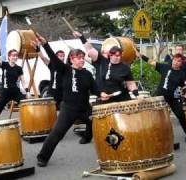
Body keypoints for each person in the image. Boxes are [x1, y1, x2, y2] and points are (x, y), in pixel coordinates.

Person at [33, 33, 98, 167]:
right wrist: (45, 44)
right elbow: (53, 58)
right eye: (78, 58)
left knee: (94, 122)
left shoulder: (87, 74)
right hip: (68, 108)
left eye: (82, 57)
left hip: (84, 108)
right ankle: (42, 157)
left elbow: (95, 89)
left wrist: (102, 94)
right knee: (57, 133)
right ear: (71, 59)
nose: (81, 60)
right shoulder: (64, 70)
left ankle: (86, 137)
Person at [73, 31, 139, 103]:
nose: (118, 57)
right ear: (110, 55)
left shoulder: (125, 68)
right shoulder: (101, 61)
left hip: (120, 100)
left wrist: (136, 94)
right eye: (116, 55)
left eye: (119, 55)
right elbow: (90, 49)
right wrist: (81, 37)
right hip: (103, 99)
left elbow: (130, 83)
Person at [139, 53, 186, 140]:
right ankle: (153, 135)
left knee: (181, 115)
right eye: (174, 60)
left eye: (178, 61)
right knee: (157, 116)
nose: (175, 62)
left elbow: (183, 85)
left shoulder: (181, 74)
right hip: (160, 96)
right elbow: (151, 62)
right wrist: (141, 56)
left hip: (172, 97)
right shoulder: (164, 67)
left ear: (181, 63)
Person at [0, 49, 28, 116]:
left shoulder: (19, 68)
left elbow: (23, 81)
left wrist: (27, 91)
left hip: (15, 92)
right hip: (5, 92)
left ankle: (28, 121)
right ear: (9, 57)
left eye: (16, 56)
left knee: (27, 104)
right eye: (13, 56)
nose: (15, 57)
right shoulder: (5, 64)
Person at [32, 41, 65, 109]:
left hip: (62, 95)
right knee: (45, 108)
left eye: (63, 56)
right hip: (51, 94)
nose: (62, 58)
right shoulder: (52, 65)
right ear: (56, 57)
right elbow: (43, 58)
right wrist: (38, 49)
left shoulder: (66, 67)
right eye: (60, 56)